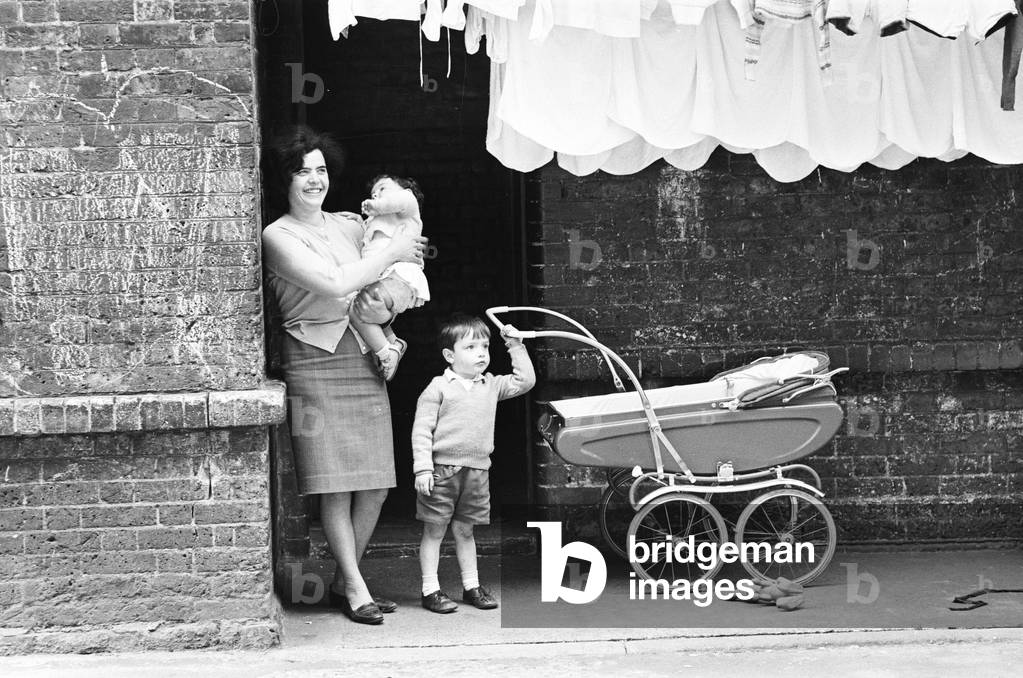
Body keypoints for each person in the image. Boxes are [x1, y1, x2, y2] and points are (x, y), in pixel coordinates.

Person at [261, 126, 427, 625]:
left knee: (375, 481)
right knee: (335, 483)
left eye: (321, 170)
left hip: (360, 355)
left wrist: (401, 256)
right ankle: (354, 586)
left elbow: (382, 275)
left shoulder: (350, 225)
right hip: (313, 358)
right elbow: (336, 284)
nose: (314, 179)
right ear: (285, 178)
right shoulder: (278, 235)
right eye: (302, 170)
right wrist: (392, 251)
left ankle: (342, 576)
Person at [411, 314, 536, 613]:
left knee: (466, 531)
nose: (481, 353)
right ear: (450, 355)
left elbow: (526, 381)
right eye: (470, 347)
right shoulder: (438, 387)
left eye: (485, 347)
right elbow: (421, 429)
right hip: (442, 472)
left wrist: (515, 345)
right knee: (435, 531)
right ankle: (431, 590)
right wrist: (423, 467)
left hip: (477, 472)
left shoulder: (491, 385)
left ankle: (471, 586)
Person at [348, 174, 430, 381]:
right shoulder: (379, 219)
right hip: (384, 278)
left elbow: (396, 201)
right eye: (374, 193)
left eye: (383, 188)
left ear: (405, 188)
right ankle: (393, 341)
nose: (376, 194)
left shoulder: (407, 204)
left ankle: (387, 353)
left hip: (399, 276)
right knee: (361, 310)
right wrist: (359, 220)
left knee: (357, 311)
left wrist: (375, 205)